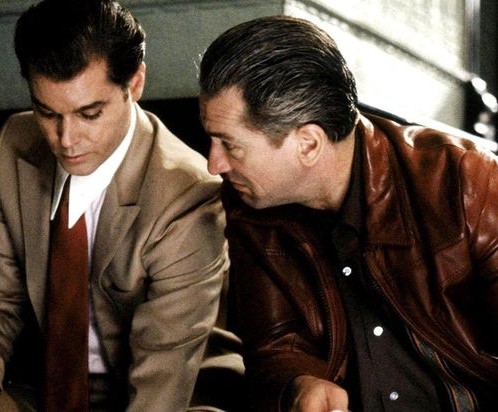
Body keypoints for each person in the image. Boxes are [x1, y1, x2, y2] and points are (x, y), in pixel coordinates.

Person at [0, 0, 235, 411]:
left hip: (165, 394)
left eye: (89, 114)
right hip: (42, 390)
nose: (66, 139)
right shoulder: (14, 144)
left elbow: (161, 382)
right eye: (46, 112)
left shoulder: (188, 196)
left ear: (135, 84)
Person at [198, 15, 498, 412]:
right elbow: (275, 345)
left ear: (308, 143)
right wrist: (299, 385)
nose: (213, 165)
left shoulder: (467, 181)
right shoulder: (249, 203)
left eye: (230, 145)